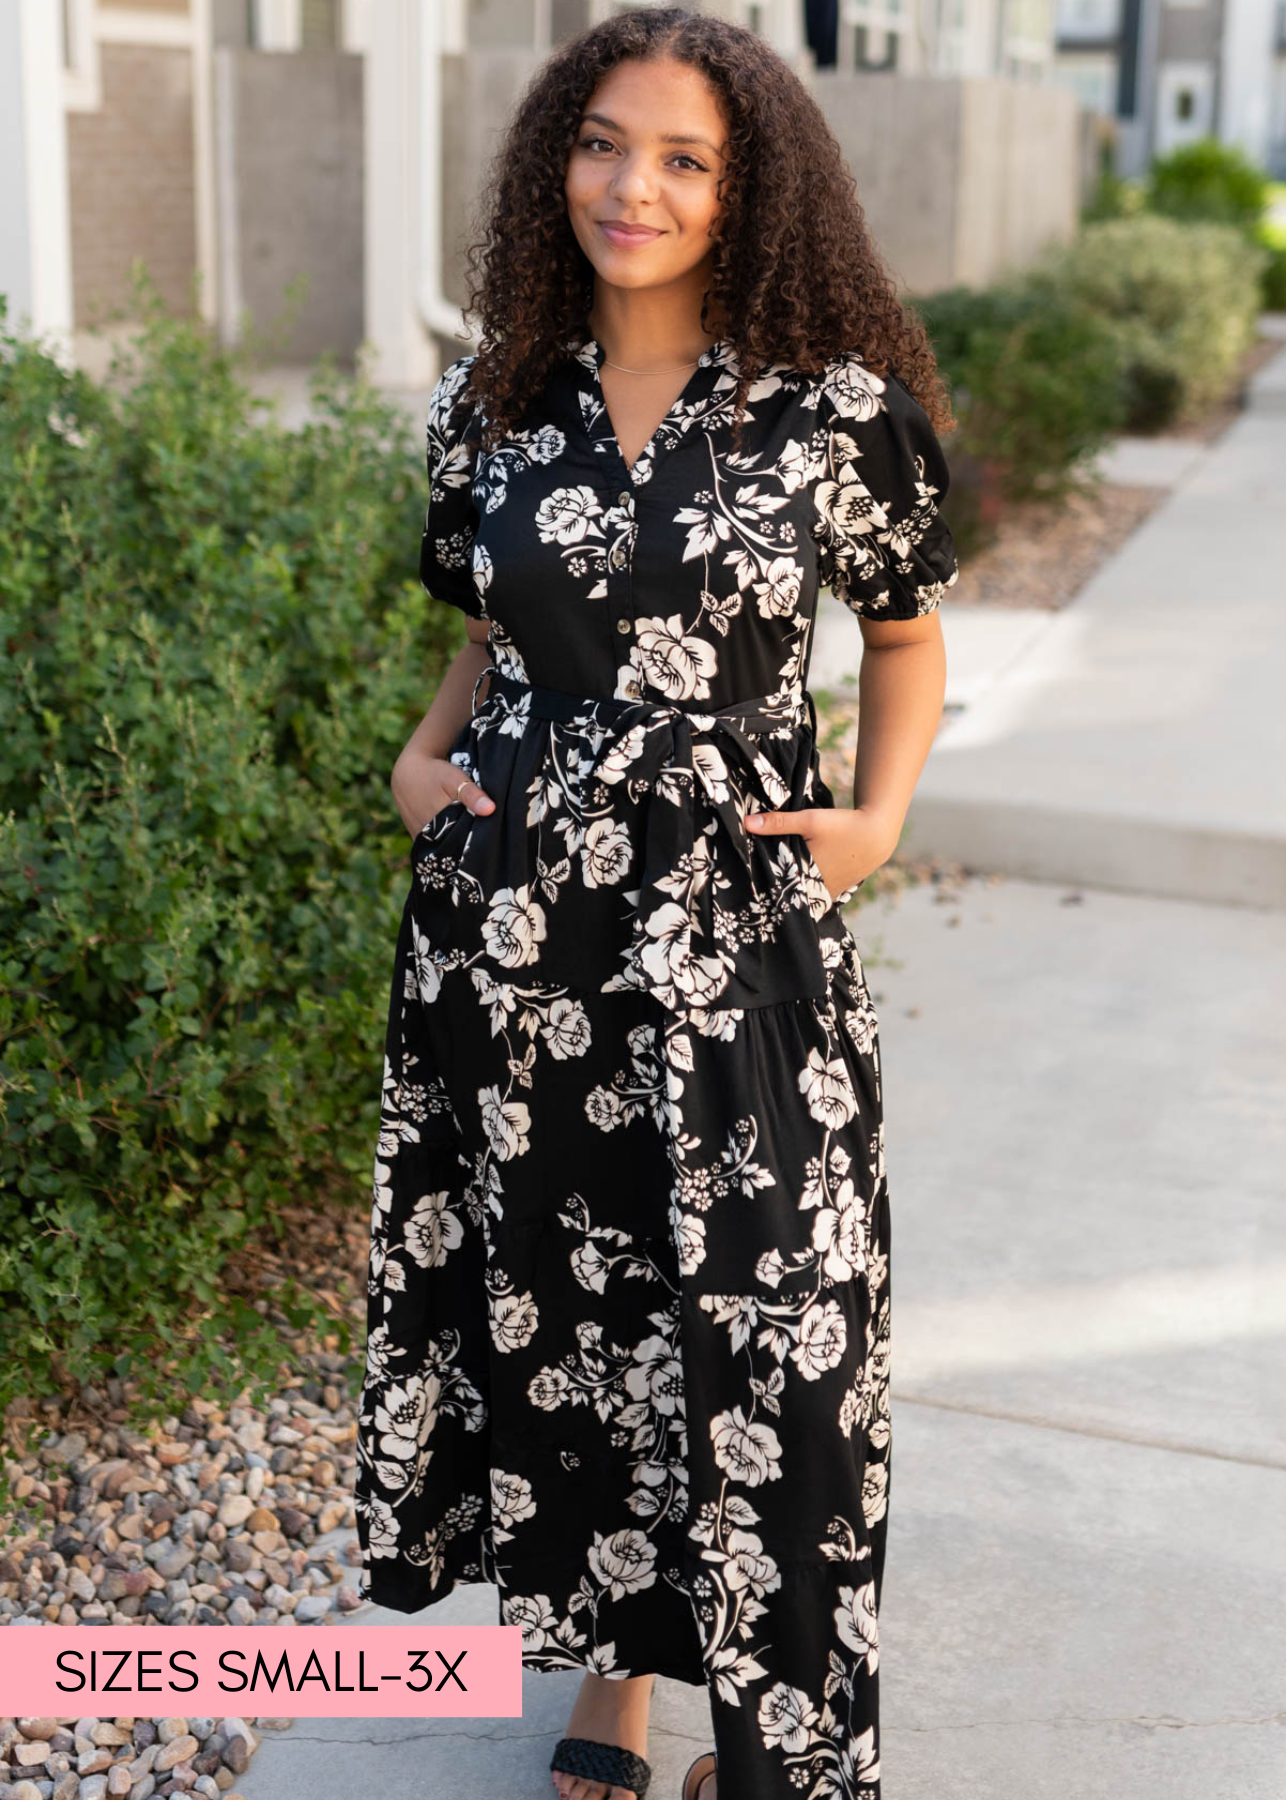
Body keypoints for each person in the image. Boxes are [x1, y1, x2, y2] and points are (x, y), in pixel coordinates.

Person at [354, 9, 957, 1799]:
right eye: (605, 142)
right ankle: (613, 1689)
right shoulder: (491, 400)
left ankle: (779, 1742)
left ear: (748, 183)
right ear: (560, 156)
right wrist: (416, 758)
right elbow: (486, 633)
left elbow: (908, 638)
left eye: (684, 156)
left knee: (783, 1328)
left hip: (737, 933)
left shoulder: (836, 412)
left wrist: (877, 817)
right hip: (520, 941)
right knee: (578, 1312)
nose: (634, 185)